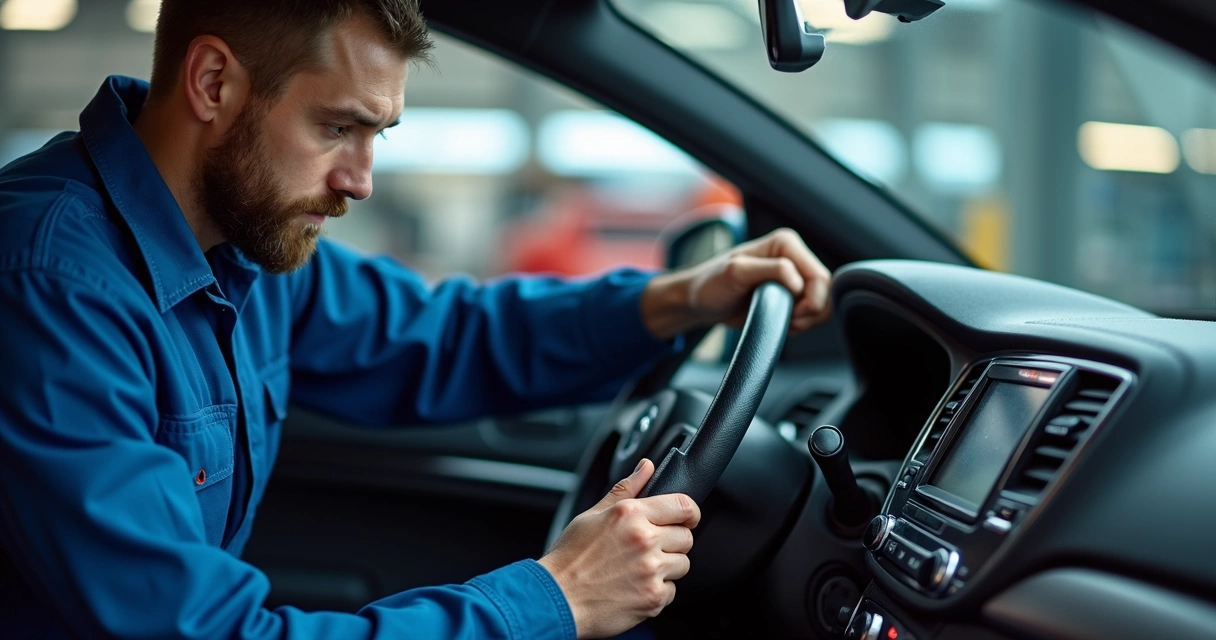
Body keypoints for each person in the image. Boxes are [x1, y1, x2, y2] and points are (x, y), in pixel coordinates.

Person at [0, 1, 832, 638]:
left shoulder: (238, 242)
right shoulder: (52, 283)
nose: (360, 180)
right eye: (337, 127)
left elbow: (443, 337)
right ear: (214, 83)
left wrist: (679, 297)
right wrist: (557, 597)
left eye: (378, 134)